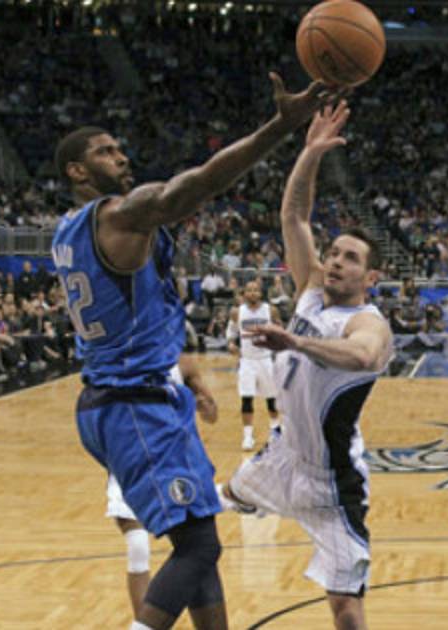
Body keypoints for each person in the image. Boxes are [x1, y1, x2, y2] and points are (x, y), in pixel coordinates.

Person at [52, 72, 340, 630]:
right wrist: (280, 125)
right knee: (200, 547)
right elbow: (199, 184)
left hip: (127, 399)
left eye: (119, 147)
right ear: (76, 172)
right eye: (104, 151)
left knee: (199, 538)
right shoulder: (119, 215)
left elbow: (141, 314)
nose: (121, 155)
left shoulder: (67, 230)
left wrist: (190, 376)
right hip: (135, 407)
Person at [220, 103, 393, 630]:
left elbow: (363, 355)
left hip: (330, 483)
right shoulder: (311, 291)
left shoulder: (368, 322)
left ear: (371, 277)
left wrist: (293, 340)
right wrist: (311, 153)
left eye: (350, 258)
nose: (335, 261)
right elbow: (294, 217)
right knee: (210, 503)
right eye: (334, 253)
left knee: (345, 608)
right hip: (281, 456)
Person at [105, 356, 218, 620]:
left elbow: (212, 416)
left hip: (176, 469)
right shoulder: (115, 363)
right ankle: (145, 622)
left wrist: (206, 405)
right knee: (138, 547)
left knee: (197, 549)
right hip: (132, 465)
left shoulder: (184, 366)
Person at [226, 280, 282, 451]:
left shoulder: (270, 310)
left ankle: (275, 432)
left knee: (271, 399)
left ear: (260, 293)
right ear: (244, 293)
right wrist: (231, 344)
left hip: (265, 359)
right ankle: (248, 436)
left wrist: (276, 339)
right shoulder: (237, 312)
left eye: (255, 290)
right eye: (249, 290)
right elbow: (231, 332)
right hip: (247, 361)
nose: (252, 293)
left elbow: (280, 329)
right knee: (246, 398)